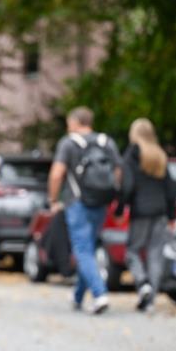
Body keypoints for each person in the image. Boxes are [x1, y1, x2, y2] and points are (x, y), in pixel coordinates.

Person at [47, 106, 122, 314]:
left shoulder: (69, 143)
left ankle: (100, 294)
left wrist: (53, 199)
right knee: (87, 248)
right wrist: (111, 193)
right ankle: (78, 295)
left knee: (83, 250)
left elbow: (56, 174)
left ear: (74, 122)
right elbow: (118, 171)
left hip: (77, 202)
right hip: (101, 202)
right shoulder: (106, 142)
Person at [118, 118, 176, 312]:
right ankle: (150, 302)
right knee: (155, 256)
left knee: (132, 252)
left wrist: (120, 208)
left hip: (141, 212)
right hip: (159, 212)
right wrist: (171, 215)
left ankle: (143, 283)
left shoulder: (132, 154)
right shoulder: (160, 155)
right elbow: (170, 189)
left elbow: (127, 186)